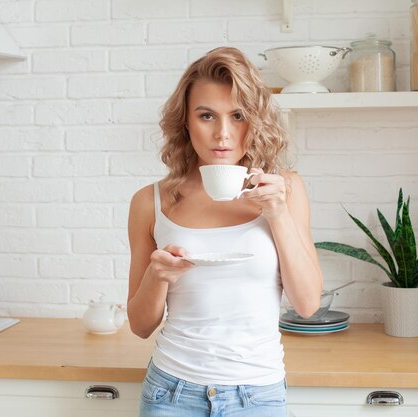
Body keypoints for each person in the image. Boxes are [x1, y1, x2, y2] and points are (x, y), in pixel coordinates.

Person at [126, 46, 323, 417]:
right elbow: (139, 325)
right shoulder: (149, 202)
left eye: (238, 115)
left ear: (257, 120)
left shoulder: (286, 189)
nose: (223, 134)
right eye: (206, 116)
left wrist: (277, 213)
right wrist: (158, 274)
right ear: (185, 121)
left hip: (258, 396)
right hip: (170, 394)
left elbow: (307, 304)